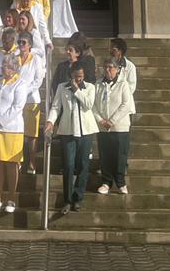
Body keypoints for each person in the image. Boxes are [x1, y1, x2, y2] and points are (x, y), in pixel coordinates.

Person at [46, 63, 99, 214]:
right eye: (75, 76)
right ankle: (67, 200)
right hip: (68, 130)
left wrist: (76, 90)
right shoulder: (62, 87)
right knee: (68, 165)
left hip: (86, 131)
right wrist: (50, 121)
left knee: (83, 165)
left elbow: (88, 104)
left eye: (80, 76)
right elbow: (56, 106)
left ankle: (78, 198)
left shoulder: (90, 87)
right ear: (71, 75)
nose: (78, 79)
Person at [0, 52, 30, 214]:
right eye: (2, 65)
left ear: (13, 68)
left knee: (11, 164)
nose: (2, 68)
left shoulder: (20, 84)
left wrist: (1, 120)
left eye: (4, 65)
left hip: (11, 129)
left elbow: (17, 107)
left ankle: (11, 198)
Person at [94, 57, 136, 195]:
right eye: (105, 67)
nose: (107, 70)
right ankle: (106, 182)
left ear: (117, 69)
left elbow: (126, 105)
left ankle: (120, 182)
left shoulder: (123, 84)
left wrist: (112, 121)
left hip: (120, 127)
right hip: (103, 127)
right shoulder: (98, 84)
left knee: (120, 155)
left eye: (110, 67)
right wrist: (101, 120)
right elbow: (93, 105)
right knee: (105, 154)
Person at [16, 31, 45, 174]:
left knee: (32, 134)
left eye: (24, 42)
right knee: (18, 132)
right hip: (16, 101)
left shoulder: (36, 59)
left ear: (30, 45)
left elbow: (38, 80)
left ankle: (32, 163)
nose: (21, 44)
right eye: (19, 42)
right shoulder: (14, 58)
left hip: (31, 100)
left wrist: (24, 92)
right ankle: (18, 161)